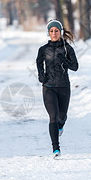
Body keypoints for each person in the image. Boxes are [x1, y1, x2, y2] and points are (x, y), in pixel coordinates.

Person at [36, 19, 78, 158]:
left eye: (56, 31)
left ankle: (61, 126)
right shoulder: (43, 49)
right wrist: (41, 75)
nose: (54, 33)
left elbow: (75, 67)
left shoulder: (67, 49)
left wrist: (64, 60)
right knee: (53, 117)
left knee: (62, 116)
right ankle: (56, 148)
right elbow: (38, 62)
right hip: (48, 87)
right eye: (51, 31)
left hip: (63, 87)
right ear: (48, 33)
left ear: (60, 32)